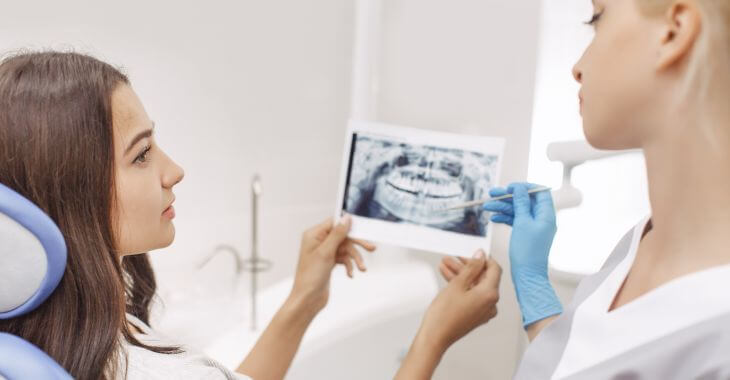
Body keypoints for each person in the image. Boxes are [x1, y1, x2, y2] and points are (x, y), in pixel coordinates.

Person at [397, 0, 730, 378]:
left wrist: (430, 338)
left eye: (597, 19)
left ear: (674, 31)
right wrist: (534, 290)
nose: (577, 68)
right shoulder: (642, 239)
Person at [0, 51, 375, 380]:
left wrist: (304, 299)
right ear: (73, 192)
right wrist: (433, 334)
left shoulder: (52, 336)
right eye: (142, 154)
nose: (175, 170)